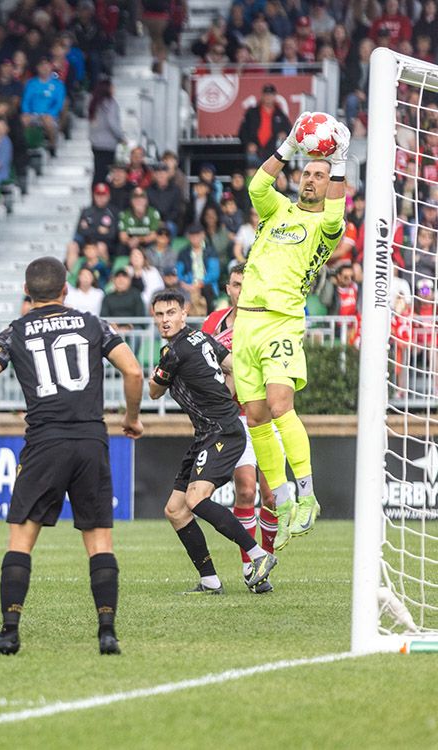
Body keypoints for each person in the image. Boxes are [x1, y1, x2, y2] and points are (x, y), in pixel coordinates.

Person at [0, 256, 145, 656]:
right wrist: (131, 418)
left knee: (21, 539)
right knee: (99, 540)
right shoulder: (94, 324)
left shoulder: (15, 331)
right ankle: (107, 632)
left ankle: (9, 631)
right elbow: (133, 372)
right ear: (66, 290)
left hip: (44, 442)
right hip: (90, 440)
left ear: (27, 292)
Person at [234, 114, 349, 546]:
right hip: (246, 321)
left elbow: (336, 211)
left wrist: (338, 161)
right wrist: (287, 145)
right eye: (308, 173)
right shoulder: (277, 208)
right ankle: (281, 503)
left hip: (281, 320)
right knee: (256, 416)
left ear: (329, 183)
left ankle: (307, 496)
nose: (311, 180)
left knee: (281, 405)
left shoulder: (327, 227)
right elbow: (256, 187)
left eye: (320, 176)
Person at [149, 289, 278, 594]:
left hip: (221, 431)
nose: (165, 320)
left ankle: (258, 555)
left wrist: (160, 376)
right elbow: (234, 366)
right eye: (159, 314)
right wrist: (224, 395)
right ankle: (209, 580)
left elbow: (154, 392)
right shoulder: (203, 338)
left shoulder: (175, 352)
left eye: (171, 313)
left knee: (196, 499)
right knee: (175, 510)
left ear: (184, 313)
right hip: (209, 431)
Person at [202, 266, 279, 588]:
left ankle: (266, 559)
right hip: (234, 418)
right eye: (236, 284)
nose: (241, 290)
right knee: (246, 490)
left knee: (271, 497)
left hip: (266, 415)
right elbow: (203, 367)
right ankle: (251, 566)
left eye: (247, 285)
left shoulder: (269, 322)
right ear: (228, 288)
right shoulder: (213, 323)